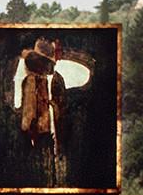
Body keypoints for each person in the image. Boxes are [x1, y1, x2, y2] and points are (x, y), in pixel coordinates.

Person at [12, 38, 94, 186]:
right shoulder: (33, 81)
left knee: (51, 166)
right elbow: (28, 113)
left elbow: (56, 109)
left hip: (50, 133)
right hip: (41, 133)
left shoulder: (54, 80)